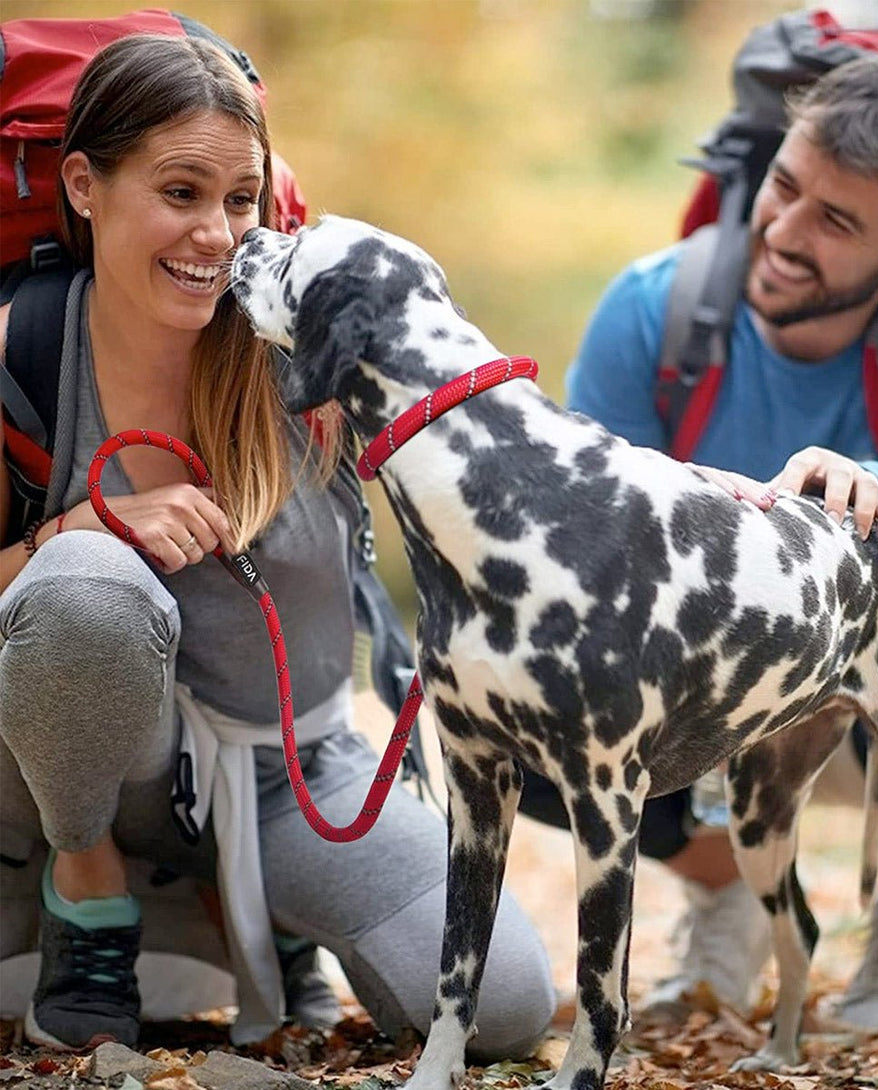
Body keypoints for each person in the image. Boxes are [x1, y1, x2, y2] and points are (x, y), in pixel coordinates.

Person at [0, 33, 554, 1054]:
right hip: (64, 780)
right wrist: (76, 527)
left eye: (242, 198)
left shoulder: (312, 346)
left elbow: (517, 458)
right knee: (85, 583)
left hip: (290, 773)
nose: (216, 234)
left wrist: (726, 499)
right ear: (82, 184)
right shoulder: (21, 348)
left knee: (507, 1007)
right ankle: (87, 902)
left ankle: (270, 917)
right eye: (180, 191)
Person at [519, 53, 878, 1031]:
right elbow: (580, 517)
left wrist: (870, 493)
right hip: (721, 665)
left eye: (836, 221)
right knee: (530, 718)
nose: (784, 233)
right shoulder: (656, 305)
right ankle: (729, 895)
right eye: (785, 188)